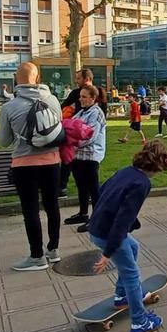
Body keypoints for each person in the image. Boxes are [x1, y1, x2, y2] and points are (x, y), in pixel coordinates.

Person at [86, 140, 167, 332]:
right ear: (157, 164)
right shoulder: (142, 183)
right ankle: (139, 322)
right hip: (108, 234)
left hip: (97, 228)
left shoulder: (126, 171)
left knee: (132, 248)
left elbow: (102, 192)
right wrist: (108, 253)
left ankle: (122, 296)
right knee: (132, 275)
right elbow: (122, 221)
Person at [0, 62, 64, 271]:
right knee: (52, 206)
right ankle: (53, 250)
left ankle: (36, 256)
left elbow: (3, 141)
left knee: (31, 210)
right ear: (37, 78)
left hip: (24, 165)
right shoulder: (53, 101)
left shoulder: (9, 107)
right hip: (52, 161)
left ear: (17, 80)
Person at [65, 84, 106, 230]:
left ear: (93, 98)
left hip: (90, 156)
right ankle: (83, 213)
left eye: (84, 97)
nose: (80, 99)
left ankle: (98, 218)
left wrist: (71, 141)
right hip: (78, 156)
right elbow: (69, 125)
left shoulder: (96, 113)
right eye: (80, 96)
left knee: (93, 188)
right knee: (81, 186)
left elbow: (89, 136)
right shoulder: (82, 112)